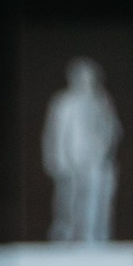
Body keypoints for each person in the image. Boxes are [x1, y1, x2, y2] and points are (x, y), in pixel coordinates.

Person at [42, 58, 122, 249]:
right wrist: (56, 158)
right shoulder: (64, 102)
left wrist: (103, 145)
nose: (86, 81)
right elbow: (55, 133)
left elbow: (114, 128)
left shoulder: (102, 101)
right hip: (72, 157)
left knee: (96, 197)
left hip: (96, 158)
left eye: (90, 77)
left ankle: (94, 234)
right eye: (82, 77)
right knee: (69, 199)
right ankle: (68, 233)